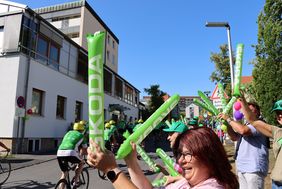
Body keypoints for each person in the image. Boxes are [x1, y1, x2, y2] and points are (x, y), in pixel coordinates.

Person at [87, 127, 239, 189]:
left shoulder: (212, 188)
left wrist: (111, 170)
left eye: (187, 154)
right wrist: (131, 162)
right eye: (180, 154)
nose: (180, 160)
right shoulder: (188, 182)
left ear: (209, 156)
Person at [218, 100, 269, 189]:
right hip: (243, 168)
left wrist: (228, 119)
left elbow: (243, 130)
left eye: (250, 110)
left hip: (254, 169)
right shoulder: (247, 124)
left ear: (257, 112)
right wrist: (227, 125)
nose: (247, 112)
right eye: (246, 110)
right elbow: (235, 137)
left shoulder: (259, 123)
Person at [239, 97, 282, 188]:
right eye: (278, 113)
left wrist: (229, 119)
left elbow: (245, 129)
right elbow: (253, 121)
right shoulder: (278, 132)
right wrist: (242, 100)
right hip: (277, 183)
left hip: (255, 168)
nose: (280, 115)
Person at [57, 121, 88, 187]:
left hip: (59, 152)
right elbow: (85, 150)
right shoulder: (82, 136)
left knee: (64, 173)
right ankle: (75, 182)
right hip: (71, 152)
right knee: (81, 163)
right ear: (82, 130)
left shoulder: (68, 133)